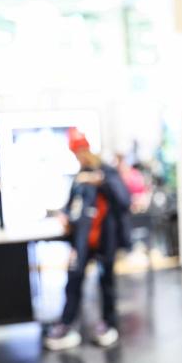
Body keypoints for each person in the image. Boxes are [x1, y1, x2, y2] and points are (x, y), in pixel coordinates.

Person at [44, 128, 132, 351]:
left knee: (107, 284)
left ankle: (109, 324)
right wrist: (64, 215)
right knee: (73, 281)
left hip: (105, 239)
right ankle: (66, 324)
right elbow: (72, 205)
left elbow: (123, 201)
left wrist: (100, 182)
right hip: (83, 240)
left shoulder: (107, 173)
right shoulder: (79, 178)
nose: (79, 156)